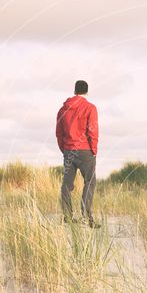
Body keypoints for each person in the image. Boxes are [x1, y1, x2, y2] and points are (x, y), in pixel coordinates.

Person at [56, 79, 100, 228]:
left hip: (69, 150)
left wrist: (65, 149)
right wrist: (94, 150)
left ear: (74, 91)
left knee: (66, 184)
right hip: (85, 150)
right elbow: (92, 130)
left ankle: (67, 217)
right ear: (86, 91)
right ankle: (87, 217)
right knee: (90, 181)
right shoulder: (90, 107)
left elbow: (59, 133)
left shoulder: (63, 110)